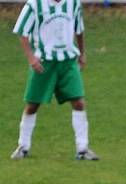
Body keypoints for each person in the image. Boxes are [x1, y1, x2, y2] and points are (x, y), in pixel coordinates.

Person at [11, 0, 98, 161]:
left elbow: (79, 29)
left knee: (79, 102)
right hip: (44, 62)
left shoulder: (73, 3)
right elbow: (22, 32)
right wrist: (31, 59)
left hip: (68, 61)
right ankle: (23, 146)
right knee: (32, 105)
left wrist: (82, 52)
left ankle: (82, 148)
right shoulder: (35, 4)